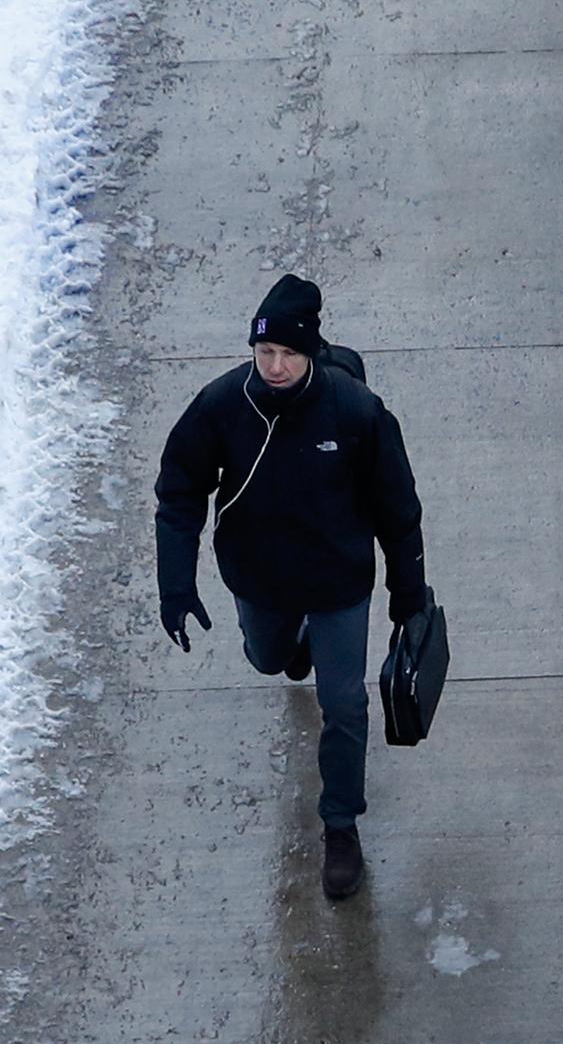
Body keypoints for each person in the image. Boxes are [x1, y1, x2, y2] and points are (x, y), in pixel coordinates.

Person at [153, 274, 430, 900]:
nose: (274, 367)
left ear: (311, 353)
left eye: (288, 355)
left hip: (338, 583)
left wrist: (408, 596)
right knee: (269, 658)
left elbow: (398, 510)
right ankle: (290, 642)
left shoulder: (356, 411)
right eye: (264, 354)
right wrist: (176, 584)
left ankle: (340, 826)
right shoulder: (221, 405)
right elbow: (177, 494)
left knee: (345, 703)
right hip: (260, 577)